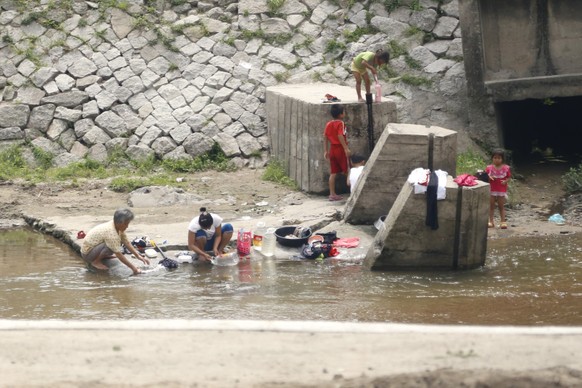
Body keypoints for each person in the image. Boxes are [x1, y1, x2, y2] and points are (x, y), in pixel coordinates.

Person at [81, 208, 149, 274]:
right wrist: (134, 268)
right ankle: (96, 261)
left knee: (115, 243)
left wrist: (138, 256)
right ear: (120, 223)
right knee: (111, 245)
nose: (127, 226)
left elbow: (126, 242)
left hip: (94, 248)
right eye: (126, 224)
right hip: (87, 253)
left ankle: (103, 256)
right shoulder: (111, 232)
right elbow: (118, 254)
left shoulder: (116, 225)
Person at [323, 104, 350, 201]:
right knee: (347, 171)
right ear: (341, 114)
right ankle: (354, 190)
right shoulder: (341, 123)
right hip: (340, 149)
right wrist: (346, 148)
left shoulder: (328, 124)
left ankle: (332, 194)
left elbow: (325, 136)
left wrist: (326, 150)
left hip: (332, 149)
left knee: (333, 172)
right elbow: (340, 135)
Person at [486, 149, 511, 229]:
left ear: (502, 159)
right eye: (495, 158)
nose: (497, 160)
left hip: (501, 190)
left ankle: (503, 221)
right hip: (492, 189)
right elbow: (485, 176)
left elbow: (509, 177)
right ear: (492, 158)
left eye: (499, 158)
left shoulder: (506, 168)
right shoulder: (489, 168)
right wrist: (489, 177)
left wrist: (505, 181)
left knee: (501, 206)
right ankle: (491, 221)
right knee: (491, 206)